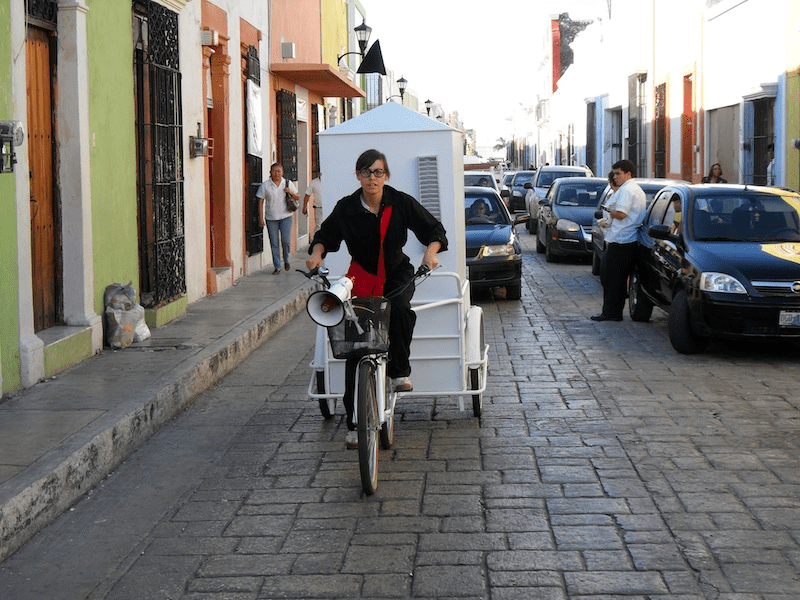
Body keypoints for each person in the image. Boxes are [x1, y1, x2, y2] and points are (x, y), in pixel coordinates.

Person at [306, 149, 448, 448]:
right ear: (358, 175)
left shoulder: (400, 202)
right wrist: (316, 256)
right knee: (356, 346)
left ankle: (399, 371)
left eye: (378, 172)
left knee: (399, 309)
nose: (372, 178)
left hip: (396, 273)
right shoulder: (347, 207)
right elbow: (325, 236)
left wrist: (430, 253)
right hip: (362, 276)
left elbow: (434, 230)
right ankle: (354, 423)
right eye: (366, 172)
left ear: (386, 175)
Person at [591, 159, 646, 322]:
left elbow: (622, 214)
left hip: (622, 240)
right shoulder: (630, 188)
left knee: (612, 278)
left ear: (628, 174)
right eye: (614, 174)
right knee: (613, 278)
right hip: (621, 239)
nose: (615, 177)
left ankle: (611, 312)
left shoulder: (628, 190)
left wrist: (610, 211)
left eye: (618, 174)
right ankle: (612, 311)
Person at [257, 163, 299, 274]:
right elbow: (260, 201)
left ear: (282, 172)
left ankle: (286, 259)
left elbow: (297, 196)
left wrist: (290, 192)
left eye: (279, 171)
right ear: (270, 172)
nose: (277, 173)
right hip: (271, 218)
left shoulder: (287, 183)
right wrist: (261, 218)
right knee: (274, 242)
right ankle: (277, 266)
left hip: (286, 217)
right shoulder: (265, 185)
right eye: (274, 171)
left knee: (286, 241)